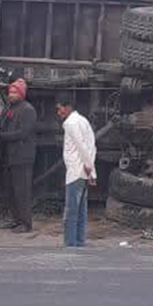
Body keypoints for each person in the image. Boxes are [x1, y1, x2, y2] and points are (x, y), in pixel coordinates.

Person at [0, 78, 37, 233]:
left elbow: (22, 133)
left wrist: (1, 136)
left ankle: (26, 224)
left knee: (22, 191)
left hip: (22, 157)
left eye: (14, 92)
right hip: (9, 156)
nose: (11, 95)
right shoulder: (9, 108)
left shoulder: (28, 110)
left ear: (21, 94)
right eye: (10, 92)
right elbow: (1, 125)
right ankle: (16, 219)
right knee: (10, 191)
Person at [57, 99, 97, 248]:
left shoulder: (70, 123)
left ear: (67, 108)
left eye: (60, 108)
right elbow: (91, 146)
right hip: (84, 171)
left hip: (76, 171)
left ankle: (70, 243)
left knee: (71, 211)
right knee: (81, 211)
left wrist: (88, 166)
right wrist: (92, 172)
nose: (58, 112)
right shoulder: (83, 121)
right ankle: (79, 241)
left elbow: (81, 146)